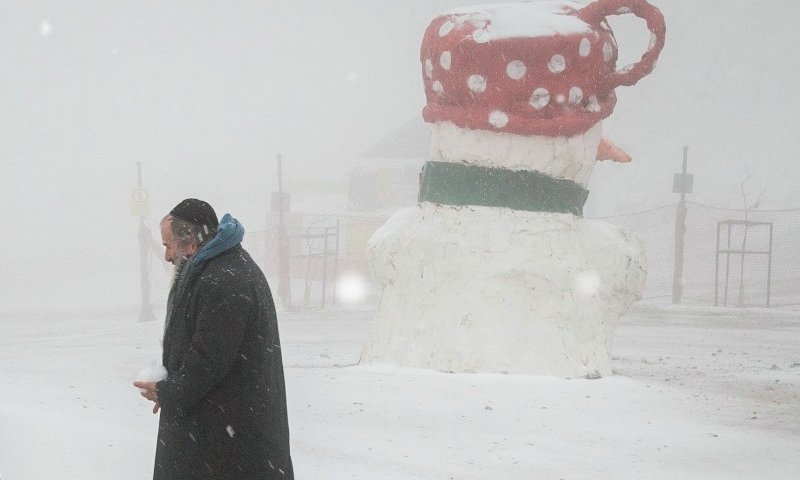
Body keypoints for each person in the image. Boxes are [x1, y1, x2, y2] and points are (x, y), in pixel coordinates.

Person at [134, 198, 294, 479]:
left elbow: (208, 361)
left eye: (167, 245)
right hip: (223, 433)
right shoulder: (218, 270)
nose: (167, 256)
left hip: (228, 441)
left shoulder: (225, 281)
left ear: (191, 243)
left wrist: (168, 392)